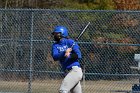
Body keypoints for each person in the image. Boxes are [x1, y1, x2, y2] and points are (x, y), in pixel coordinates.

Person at [51, 25, 83, 93]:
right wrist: (64, 52)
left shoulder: (70, 42)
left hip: (75, 70)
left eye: (57, 33)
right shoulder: (55, 45)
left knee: (63, 90)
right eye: (55, 34)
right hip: (67, 72)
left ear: (62, 33)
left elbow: (79, 55)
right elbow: (55, 57)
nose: (55, 35)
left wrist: (69, 55)